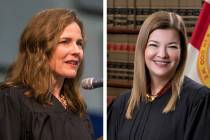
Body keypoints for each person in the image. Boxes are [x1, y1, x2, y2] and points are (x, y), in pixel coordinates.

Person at [108, 11, 210, 140]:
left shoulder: (198, 101)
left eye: (172, 46)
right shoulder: (122, 104)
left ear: (182, 52)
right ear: (142, 49)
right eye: (154, 45)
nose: (162, 54)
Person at [0, 8, 94, 140]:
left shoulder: (77, 111)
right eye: (65, 41)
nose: (77, 50)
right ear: (40, 48)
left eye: (79, 43)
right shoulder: (12, 98)